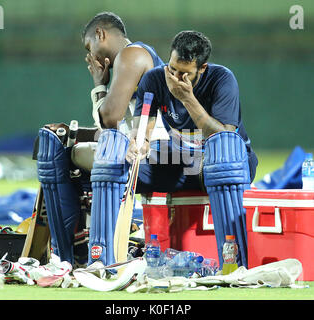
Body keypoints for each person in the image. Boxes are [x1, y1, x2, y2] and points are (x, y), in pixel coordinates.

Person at [92, 30, 258, 268]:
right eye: (172, 69)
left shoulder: (222, 79)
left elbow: (223, 136)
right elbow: (143, 133)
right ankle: (103, 259)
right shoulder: (154, 79)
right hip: (183, 162)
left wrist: (188, 98)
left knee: (223, 155)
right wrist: (136, 144)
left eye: (185, 73)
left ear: (202, 69)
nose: (175, 77)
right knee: (114, 163)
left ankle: (235, 264)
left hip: (228, 163)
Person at [36, 12, 167, 267]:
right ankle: (84, 245)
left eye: (89, 47)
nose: (91, 56)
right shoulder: (137, 56)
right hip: (157, 151)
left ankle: (74, 252)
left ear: (100, 34)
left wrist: (99, 84)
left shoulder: (131, 55)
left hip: (158, 154)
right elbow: (111, 128)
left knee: (59, 154)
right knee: (79, 152)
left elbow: (109, 120)